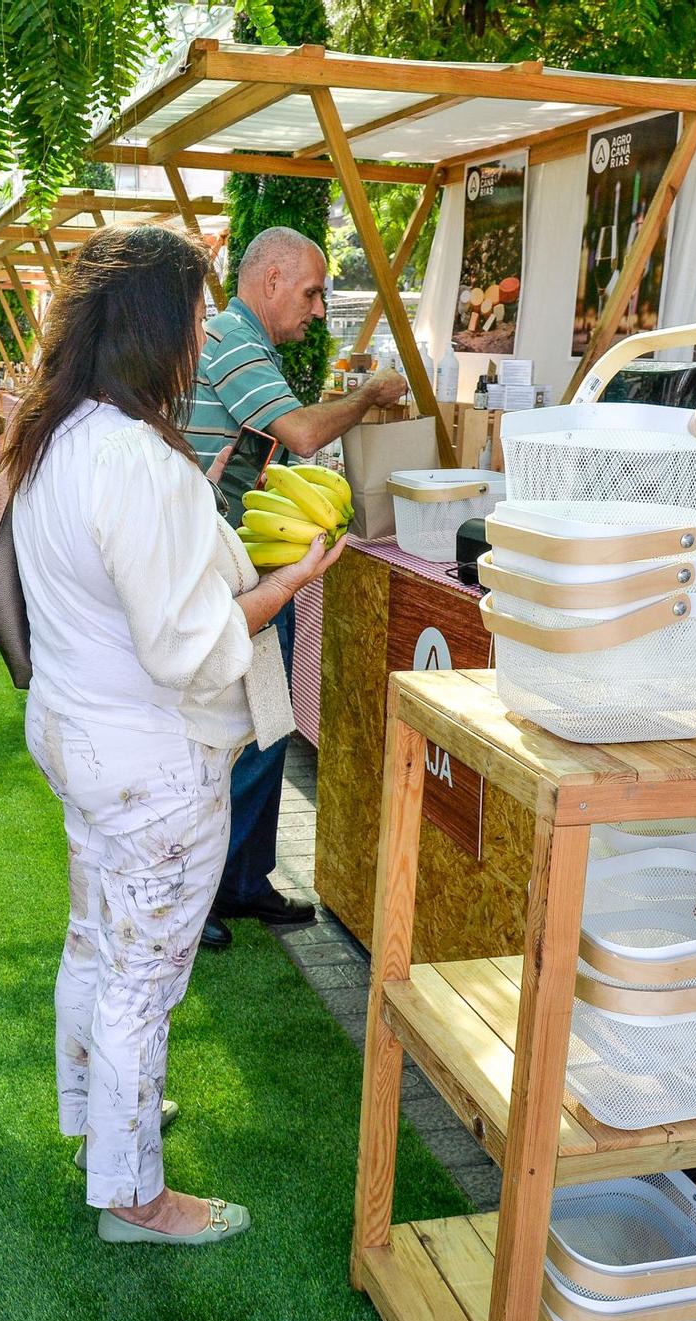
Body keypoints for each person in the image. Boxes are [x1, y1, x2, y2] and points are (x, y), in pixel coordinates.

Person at [10, 224, 344, 1245]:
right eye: (197, 315)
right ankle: (131, 1193)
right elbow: (184, 640)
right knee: (139, 978)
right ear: (161, 326)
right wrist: (283, 585)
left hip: (81, 735)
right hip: (149, 755)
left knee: (96, 943)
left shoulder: (56, 434)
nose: (205, 333)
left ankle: (94, 1118)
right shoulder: (131, 456)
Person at [181, 225, 407, 950]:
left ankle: (243, 880)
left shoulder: (241, 341)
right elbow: (304, 434)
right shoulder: (236, 338)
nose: (317, 309)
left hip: (237, 560)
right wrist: (369, 394)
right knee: (236, 732)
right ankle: (211, 887)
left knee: (265, 727)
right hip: (220, 570)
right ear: (269, 279)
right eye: (311, 292)